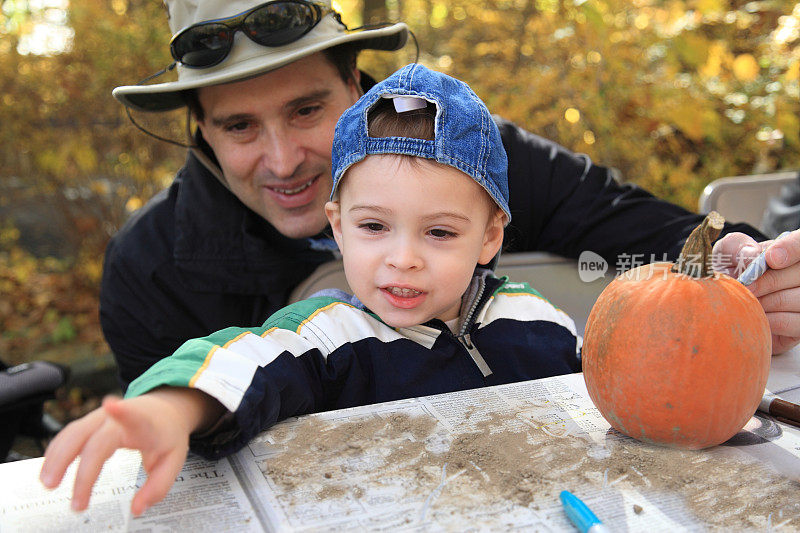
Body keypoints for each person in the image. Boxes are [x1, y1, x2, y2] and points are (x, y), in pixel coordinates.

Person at [102, 0, 800, 391]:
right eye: (240, 126)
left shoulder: (470, 159)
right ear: (200, 133)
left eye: (308, 110)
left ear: (358, 88)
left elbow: (633, 225)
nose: (283, 160)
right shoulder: (150, 273)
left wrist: (746, 265)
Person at [41, 64, 582, 515]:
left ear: (489, 236)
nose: (403, 258)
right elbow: (242, 362)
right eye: (374, 227)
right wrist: (174, 409)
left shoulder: (535, 320)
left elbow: (599, 389)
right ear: (339, 226)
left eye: (439, 232)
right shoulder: (327, 336)